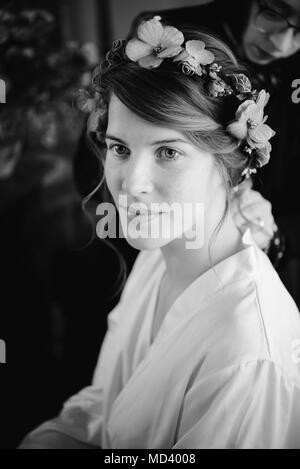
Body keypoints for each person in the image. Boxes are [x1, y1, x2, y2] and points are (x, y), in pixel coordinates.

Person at [19, 18, 300, 449]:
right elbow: (104, 407)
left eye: (168, 151)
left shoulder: (244, 350)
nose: (132, 183)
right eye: (120, 148)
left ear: (231, 165)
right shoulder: (157, 257)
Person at [125, 0, 300, 308]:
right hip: (150, 253)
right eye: (274, 13)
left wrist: (276, 234)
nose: (281, 43)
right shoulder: (169, 32)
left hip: (253, 268)